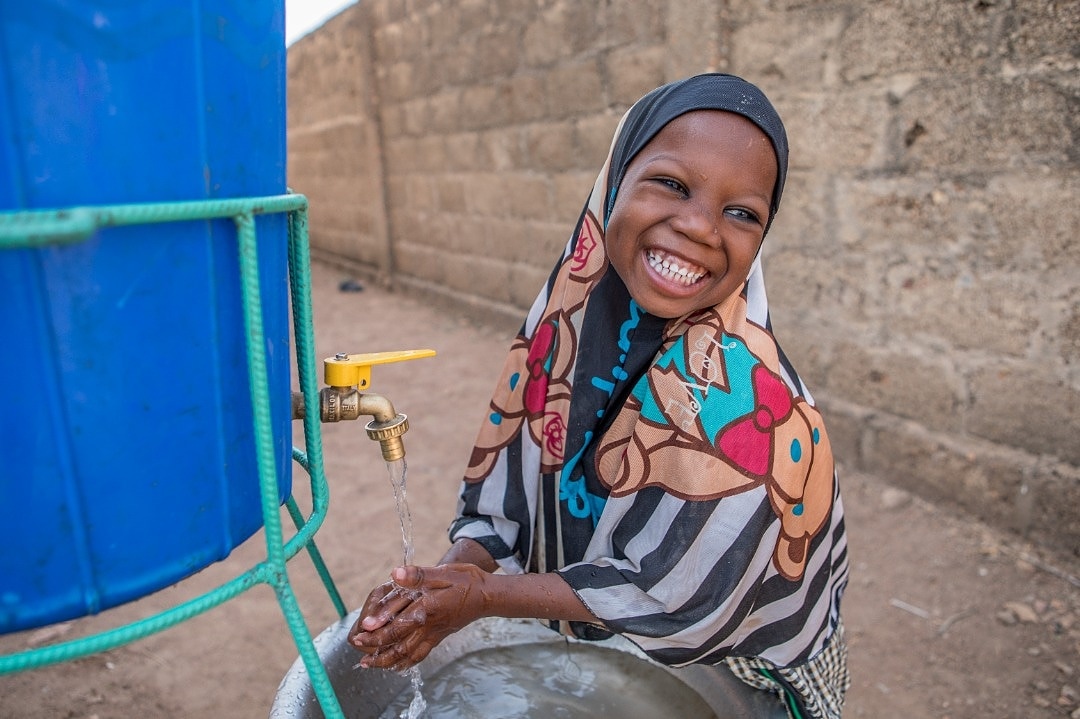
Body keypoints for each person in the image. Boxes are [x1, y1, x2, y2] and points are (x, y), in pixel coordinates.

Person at [348, 73, 850, 719]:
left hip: (739, 674)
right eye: (671, 183)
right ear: (613, 184)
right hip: (609, 642)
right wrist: (440, 585)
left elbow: (677, 596)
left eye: (741, 212)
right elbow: (508, 500)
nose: (699, 225)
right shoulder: (565, 330)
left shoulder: (752, 410)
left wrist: (481, 598)